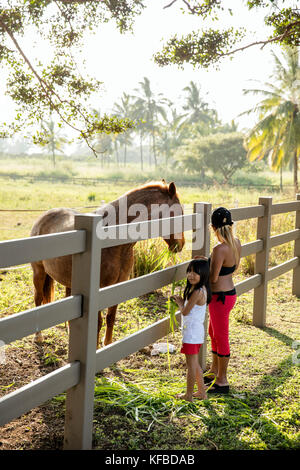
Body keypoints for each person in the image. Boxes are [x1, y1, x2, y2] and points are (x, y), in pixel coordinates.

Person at [206, 207, 241, 394]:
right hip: (230, 294)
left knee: (221, 336)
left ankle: (222, 380)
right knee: (213, 332)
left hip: (219, 298)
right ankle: (214, 370)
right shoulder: (236, 243)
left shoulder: (218, 249)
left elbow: (212, 278)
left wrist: (203, 266)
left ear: (213, 227)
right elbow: (234, 267)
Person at [172, 258, 212, 402]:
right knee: (194, 364)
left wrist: (179, 303)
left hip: (191, 334)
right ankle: (201, 392)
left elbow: (185, 312)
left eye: (196, 272)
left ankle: (188, 395)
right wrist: (183, 302)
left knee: (191, 366)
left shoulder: (196, 292)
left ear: (204, 275)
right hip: (196, 333)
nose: (191, 275)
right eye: (189, 271)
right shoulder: (201, 289)